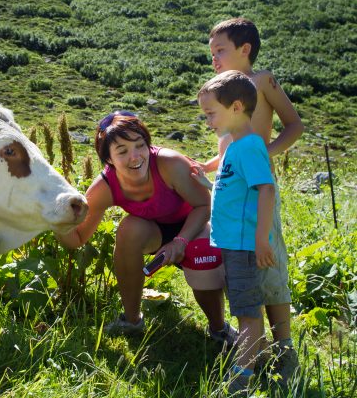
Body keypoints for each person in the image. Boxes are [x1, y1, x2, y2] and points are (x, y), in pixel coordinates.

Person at [56, 111, 237, 345]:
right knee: (128, 229)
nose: (135, 157)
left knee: (202, 249)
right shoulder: (105, 186)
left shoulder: (170, 163)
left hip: (194, 224)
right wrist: (53, 219)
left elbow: (204, 205)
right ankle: (132, 320)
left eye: (140, 145)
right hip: (154, 232)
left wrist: (181, 241)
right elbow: (77, 237)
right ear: (108, 158)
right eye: (122, 151)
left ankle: (218, 328)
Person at [197, 17, 302, 388]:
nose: (214, 58)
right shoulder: (223, 92)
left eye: (220, 50)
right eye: (211, 53)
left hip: (257, 195)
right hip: (239, 193)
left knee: (269, 270)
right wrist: (208, 165)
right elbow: (228, 148)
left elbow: (294, 124)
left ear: (245, 49)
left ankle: (284, 347)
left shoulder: (262, 82)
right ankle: (256, 347)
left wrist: (269, 154)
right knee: (250, 277)